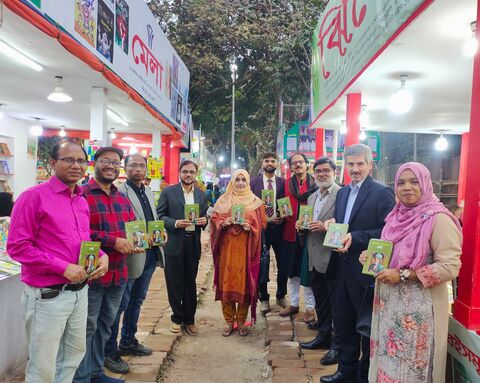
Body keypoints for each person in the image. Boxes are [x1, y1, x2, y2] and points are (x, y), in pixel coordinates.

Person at [8, 140, 108, 383]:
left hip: (80, 292)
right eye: (69, 160)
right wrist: (62, 267)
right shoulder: (33, 197)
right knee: (43, 364)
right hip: (48, 297)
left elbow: (83, 239)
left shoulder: (80, 198)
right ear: (53, 163)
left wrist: (102, 257)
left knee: (73, 355)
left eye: (81, 161)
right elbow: (17, 247)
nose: (76, 166)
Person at [363, 162, 462, 383]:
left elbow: (450, 267)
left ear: (425, 184)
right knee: (389, 367)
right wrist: (372, 259)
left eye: (414, 181)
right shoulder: (395, 216)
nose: (407, 187)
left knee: (413, 373)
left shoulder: (439, 218)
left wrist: (405, 275)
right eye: (401, 182)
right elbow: (392, 253)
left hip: (419, 318)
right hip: (390, 310)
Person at [321, 144, 395, 383]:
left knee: (365, 325)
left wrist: (357, 238)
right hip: (341, 265)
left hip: (365, 268)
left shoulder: (382, 193)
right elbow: (345, 224)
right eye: (350, 164)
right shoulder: (342, 193)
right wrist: (335, 225)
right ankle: (346, 370)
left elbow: (389, 231)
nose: (355, 169)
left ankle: (365, 375)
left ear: (369, 164)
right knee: (343, 320)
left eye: (359, 164)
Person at [74, 146, 138, 383]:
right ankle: (80, 377)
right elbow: (80, 232)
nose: (111, 166)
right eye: (106, 161)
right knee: (86, 328)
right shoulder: (81, 194)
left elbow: (132, 226)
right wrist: (113, 241)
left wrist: (136, 241)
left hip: (119, 273)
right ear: (95, 163)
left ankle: (96, 373)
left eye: (115, 163)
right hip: (92, 274)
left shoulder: (122, 197)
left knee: (106, 326)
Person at [104, 153, 166, 374]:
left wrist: (159, 234)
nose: (138, 169)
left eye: (142, 165)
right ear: (125, 168)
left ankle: (128, 340)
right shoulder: (120, 191)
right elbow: (122, 224)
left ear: (147, 169)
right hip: (129, 255)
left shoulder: (147, 191)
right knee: (120, 304)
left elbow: (150, 220)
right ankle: (109, 351)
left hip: (149, 254)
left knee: (137, 301)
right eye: (133, 165)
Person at [210, 170, 267, 336]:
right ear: (232, 181)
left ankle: (241, 320)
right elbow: (213, 221)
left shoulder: (256, 202)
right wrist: (222, 222)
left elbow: (263, 224)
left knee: (245, 284)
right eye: (237, 179)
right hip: (226, 250)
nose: (240, 183)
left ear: (248, 182)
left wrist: (251, 227)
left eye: (243, 180)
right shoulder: (223, 200)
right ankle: (229, 321)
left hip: (246, 251)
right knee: (226, 282)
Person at [297, 157, 341, 367]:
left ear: (334, 172)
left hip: (333, 257)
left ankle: (336, 344)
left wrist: (326, 227)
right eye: (319, 171)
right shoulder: (313, 197)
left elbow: (345, 224)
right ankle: (322, 336)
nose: (322, 174)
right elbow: (308, 223)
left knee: (336, 302)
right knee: (320, 299)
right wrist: (301, 225)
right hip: (314, 256)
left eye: (326, 170)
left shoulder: (342, 195)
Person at [157, 160, 208, 335]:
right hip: (174, 243)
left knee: (190, 282)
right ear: (180, 172)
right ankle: (177, 318)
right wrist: (176, 223)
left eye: (191, 172)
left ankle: (190, 319)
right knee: (174, 282)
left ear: (196, 174)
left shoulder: (202, 195)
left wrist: (204, 221)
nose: (188, 175)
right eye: (185, 171)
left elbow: (204, 218)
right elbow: (160, 216)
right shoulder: (169, 192)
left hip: (193, 243)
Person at [279, 153, 318, 323]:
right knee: (291, 271)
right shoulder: (286, 184)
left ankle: (310, 307)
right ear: (291, 167)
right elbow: (281, 204)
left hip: (310, 235)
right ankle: (294, 303)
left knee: (308, 272)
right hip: (289, 234)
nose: (298, 165)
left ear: (307, 165)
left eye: (301, 162)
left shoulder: (316, 184)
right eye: (294, 163)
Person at [250, 152, 288, 314]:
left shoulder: (283, 183)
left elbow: (287, 204)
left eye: (273, 160)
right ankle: (263, 298)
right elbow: (249, 204)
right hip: (261, 229)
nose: (270, 163)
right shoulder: (254, 183)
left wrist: (283, 216)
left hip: (280, 228)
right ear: (262, 163)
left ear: (277, 163)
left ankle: (281, 295)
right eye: (267, 161)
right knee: (262, 263)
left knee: (283, 264)